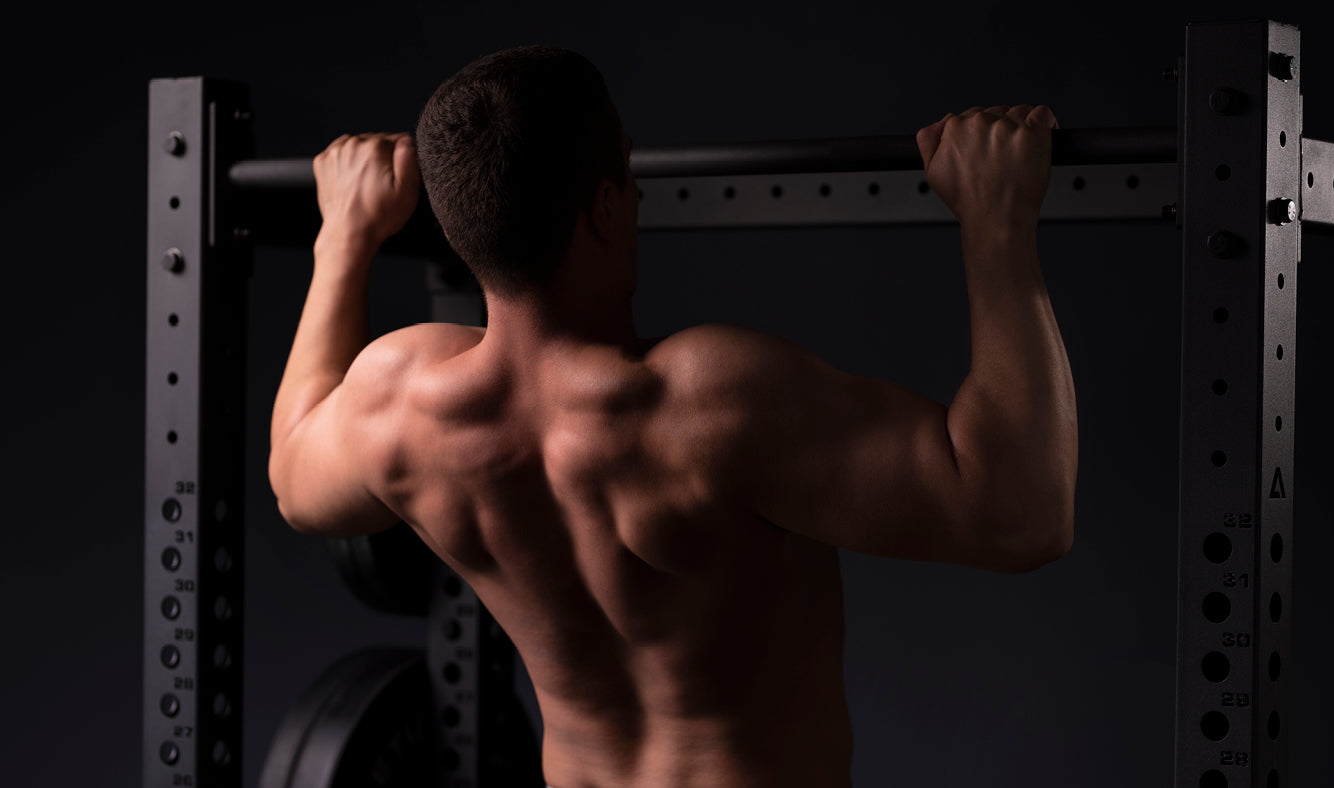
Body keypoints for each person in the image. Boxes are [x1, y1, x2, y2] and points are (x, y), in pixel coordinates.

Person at [268, 45, 1077, 788]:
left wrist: (343, 235)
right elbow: (1017, 516)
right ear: (608, 206)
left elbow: (296, 483)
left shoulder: (402, 401)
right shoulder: (712, 402)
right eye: (628, 175)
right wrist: (998, 223)